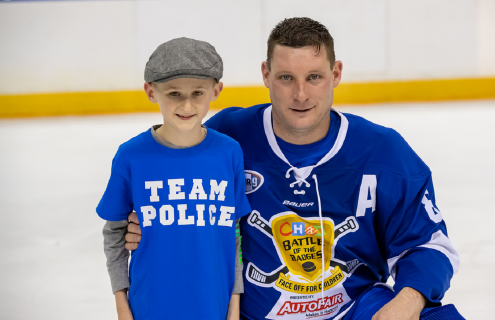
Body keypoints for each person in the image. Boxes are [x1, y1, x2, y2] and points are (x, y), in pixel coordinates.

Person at [124, 18, 465, 320]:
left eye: (314, 77)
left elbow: (429, 245)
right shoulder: (229, 138)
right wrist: (150, 223)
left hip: (355, 308)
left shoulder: (383, 152)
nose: (300, 94)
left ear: (336, 74)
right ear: (266, 75)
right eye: (286, 77)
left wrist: (407, 301)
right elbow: (178, 190)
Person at [97, 37, 252, 320]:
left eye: (197, 93)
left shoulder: (229, 153)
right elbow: (115, 233)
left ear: (216, 90)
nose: (187, 105)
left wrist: (234, 303)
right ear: (150, 91)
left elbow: (235, 233)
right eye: (174, 94)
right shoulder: (131, 156)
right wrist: (122, 303)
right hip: (149, 306)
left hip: (213, 306)